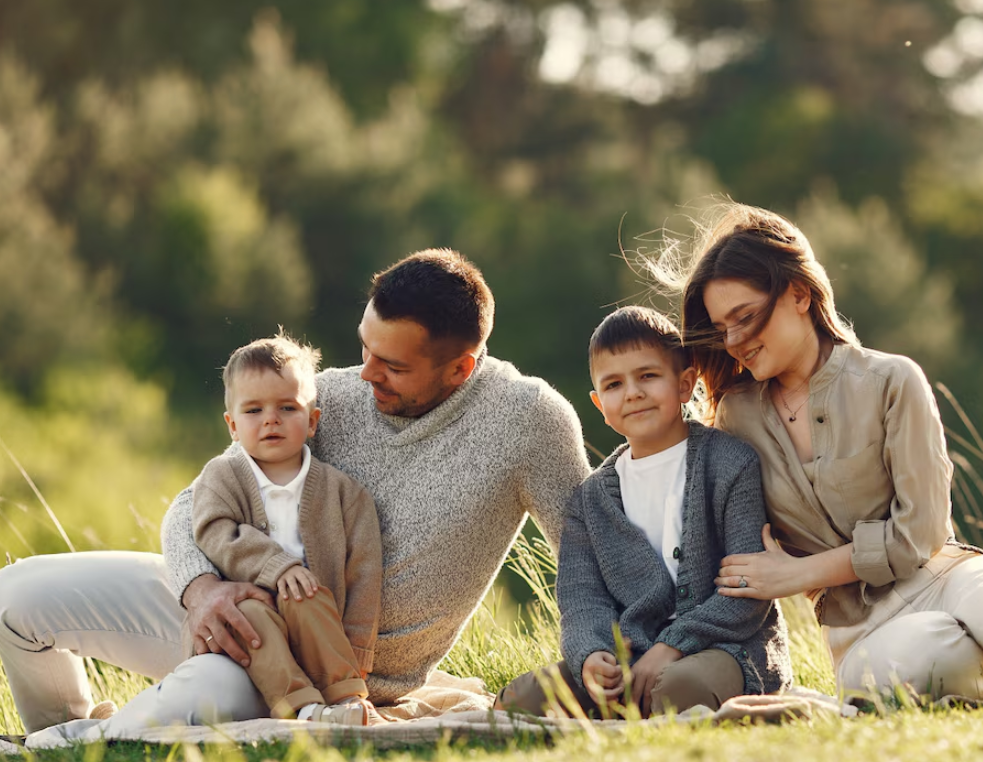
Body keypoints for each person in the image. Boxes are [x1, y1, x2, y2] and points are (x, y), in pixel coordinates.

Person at [0, 248, 591, 735]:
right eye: (364, 347)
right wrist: (202, 590)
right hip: (220, 606)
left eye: (392, 366)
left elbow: (586, 558)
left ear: (460, 369)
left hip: (317, 672)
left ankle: (58, 749)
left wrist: (598, 659)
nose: (365, 374)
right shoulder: (325, 398)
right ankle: (54, 734)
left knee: (204, 695)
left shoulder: (528, 421)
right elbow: (193, 505)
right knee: (13, 595)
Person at [659, 201, 983, 700]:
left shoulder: (890, 380)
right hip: (862, 630)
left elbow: (921, 531)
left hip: (944, 581)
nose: (734, 340)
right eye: (723, 328)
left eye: (745, 317)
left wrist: (797, 573)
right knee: (911, 665)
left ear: (799, 294)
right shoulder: (735, 419)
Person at [497, 306, 791, 717]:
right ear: (600, 403)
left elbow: (748, 590)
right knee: (522, 699)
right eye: (614, 384)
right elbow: (583, 600)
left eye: (648, 376)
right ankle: (624, 704)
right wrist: (592, 656)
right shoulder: (591, 499)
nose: (632, 392)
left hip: (725, 648)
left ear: (685, 384)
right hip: (630, 658)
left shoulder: (730, 464)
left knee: (678, 689)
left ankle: (654, 707)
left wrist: (673, 647)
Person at [189, 332, 381, 726]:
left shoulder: (344, 493)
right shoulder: (222, 476)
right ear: (232, 425)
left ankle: (347, 701)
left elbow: (364, 572)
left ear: (312, 421)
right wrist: (278, 567)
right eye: (254, 410)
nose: (270, 419)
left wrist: (358, 650)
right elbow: (214, 530)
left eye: (287, 408)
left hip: (314, 612)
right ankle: (301, 707)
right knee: (251, 613)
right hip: (250, 612)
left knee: (307, 594)